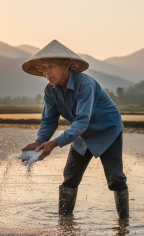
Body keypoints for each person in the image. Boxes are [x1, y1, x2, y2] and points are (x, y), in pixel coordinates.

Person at [21, 40, 129, 219]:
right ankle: (64, 221)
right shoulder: (50, 91)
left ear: (66, 65)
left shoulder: (85, 84)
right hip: (82, 133)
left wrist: (54, 144)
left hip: (108, 130)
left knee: (115, 178)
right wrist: (39, 142)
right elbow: (49, 121)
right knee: (70, 177)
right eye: (44, 68)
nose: (47, 72)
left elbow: (81, 121)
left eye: (51, 67)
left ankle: (124, 223)